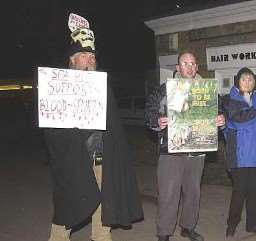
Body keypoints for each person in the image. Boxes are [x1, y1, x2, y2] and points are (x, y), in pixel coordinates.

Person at [44, 26, 143, 241]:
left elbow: (113, 125)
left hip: (101, 156)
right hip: (73, 157)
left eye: (92, 56)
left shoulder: (102, 86)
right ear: (72, 59)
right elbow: (51, 126)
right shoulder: (58, 86)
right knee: (68, 203)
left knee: (104, 201)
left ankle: (101, 237)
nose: (89, 60)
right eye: (83, 55)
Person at [145, 51, 225, 241]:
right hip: (171, 151)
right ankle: (164, 232)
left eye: (192, 64)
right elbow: (149, 110)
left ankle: (187, 227)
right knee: (168, 194)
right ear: (178, 68)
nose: (189, 67)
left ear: (197, 67)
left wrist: (221, 121)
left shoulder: (208, 91)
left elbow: (219, 114)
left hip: (197, 152)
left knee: (193, 193)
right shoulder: (165, 89)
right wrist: (157, 120)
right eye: (185, 63)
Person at [221, 67, 256, 237]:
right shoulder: (229, 100)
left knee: (253, 192)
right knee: (239, 192)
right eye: (244, 79)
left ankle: (252, 223)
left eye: (251, 79)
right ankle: (232, 223)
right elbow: (239, 121)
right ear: (237, 81)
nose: (248, 82)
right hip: (239, 156)